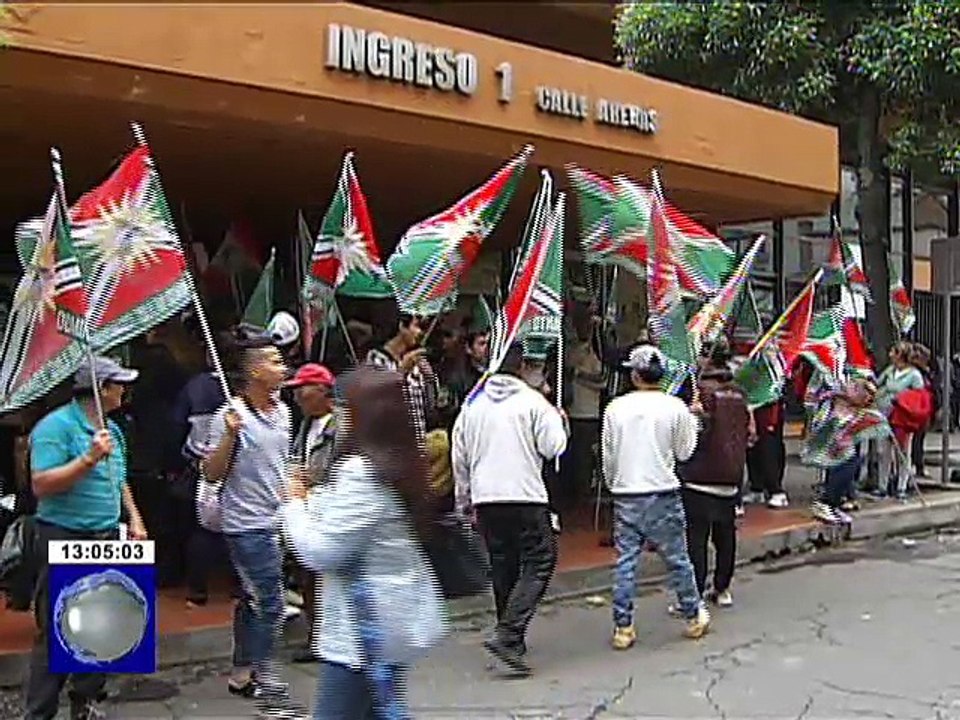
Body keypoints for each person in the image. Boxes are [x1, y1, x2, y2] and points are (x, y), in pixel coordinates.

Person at [282, 367, 447, 719]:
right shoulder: (400, 464)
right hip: (388, 622)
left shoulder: (364, 473)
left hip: (361, 631)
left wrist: (293, 504)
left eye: (345, 408)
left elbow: (322, 550)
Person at [24, 356, 146, 720]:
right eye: (118, 383)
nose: (124, 389)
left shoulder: (112, 429)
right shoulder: (56, 427)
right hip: (64, 534)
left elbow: (119, 478)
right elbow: (41, 484)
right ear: (100, 389)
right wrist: (87, 460)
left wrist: (135, 518)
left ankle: (86, 700)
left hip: (106, 534)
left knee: (105, 623)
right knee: (58, 627)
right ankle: (39, 711)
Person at [202, 331, 305, 717]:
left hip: (278, 519)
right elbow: (211, 473)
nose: (283, 368)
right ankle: (269, 685)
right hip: (246, 525)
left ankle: (243, 672)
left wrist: (296, 493)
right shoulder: (230, 417)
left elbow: (285, 463)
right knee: (271, 603)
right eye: (275, 362)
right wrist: (229, 436)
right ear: (254, 373)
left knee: (253, 600)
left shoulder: (283, 413)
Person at [452, 343, 568, 676]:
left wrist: (464, 500)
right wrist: (559, 421)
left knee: (503, 562)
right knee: (540, 560)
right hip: (525, 494)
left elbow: (459, 458)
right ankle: (509, 633)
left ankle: (509, 634)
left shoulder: (471, 406)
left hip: (486, 497)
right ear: (521, 367)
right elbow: (553, 447)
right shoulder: (533, 402)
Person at [601, 344, 710, 650]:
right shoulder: (675, 407)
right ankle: (692, 615)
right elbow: (685, 452)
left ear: (635, 375)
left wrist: (615, 484)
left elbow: (609, 457)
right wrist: (693, 421)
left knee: (625, 562)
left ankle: (623, 627)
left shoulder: (615, 408)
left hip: (626, 493)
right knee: (677, 559)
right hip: (662, 491)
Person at [679, 343, 753, 607]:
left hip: (700, 477)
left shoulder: (701, 395)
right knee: (725, 536)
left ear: (706, 361)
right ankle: (722, 588)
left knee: (696, 539)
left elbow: (693, 436)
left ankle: (694, 593)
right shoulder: (741, 395)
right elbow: (750, 435)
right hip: (731, 477)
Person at [286, 363, 338, 664]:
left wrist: (310, 477)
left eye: (302, 389)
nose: (298, 397)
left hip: (329, 510)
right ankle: (317, 636)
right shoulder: (303, 426)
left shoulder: (343, 426)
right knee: (308, 577)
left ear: (322, 390)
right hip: (306, 510)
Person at [365, 313, 438, 441]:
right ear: (402, 327)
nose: (420, 332)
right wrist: (401, 371)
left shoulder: (415, 361)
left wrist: (430, 379)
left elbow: (430, 405)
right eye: (416, 326)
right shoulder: (376, 359)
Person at [563, 312, 604, 510]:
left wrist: (579, 375)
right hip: (572, 411)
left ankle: (583, 498)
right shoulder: (572, 351)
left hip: (589, 413)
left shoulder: (599, 354)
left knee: (585, 459)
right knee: (573, 457)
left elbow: (602, 381)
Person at [874, 341, 925, 499]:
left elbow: (918, 397)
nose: (890, 355)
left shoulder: (914, 375)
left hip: (902, 419)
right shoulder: (890, 371)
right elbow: (877, 383)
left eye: (893, 352)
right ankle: (883, 485)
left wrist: (902, 400)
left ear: (900, 355)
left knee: (903, 452)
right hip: (884, 415)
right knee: (883, 452)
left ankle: (901, 486)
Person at [744, 394, 788, 508]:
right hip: (750, 403)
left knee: (768, 446)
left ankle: (776, 490)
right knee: (751, 447)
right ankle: (756, 487)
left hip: (768, 405)